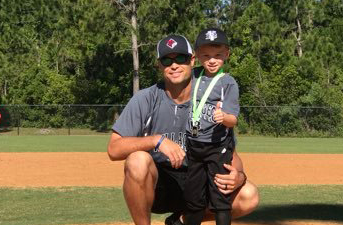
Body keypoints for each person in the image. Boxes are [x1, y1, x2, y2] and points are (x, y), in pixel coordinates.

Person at [107, 34, 259, 225]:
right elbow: (113, 149)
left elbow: (229, 152)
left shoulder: (210, 97)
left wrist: (239, 176)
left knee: (249, 195)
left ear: (192, 60)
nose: (174, 65)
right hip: (159, 184)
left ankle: (181, 221)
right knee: (137, 160)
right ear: (159, 65)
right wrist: (157, 140)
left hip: (199, 178)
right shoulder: (146, 98)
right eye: (166, 60)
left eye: (181, 58)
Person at [184, 28, 239, 225]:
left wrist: (223, 117)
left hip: (217, 147)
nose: (212, 60)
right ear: (197, 56)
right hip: (193, 145)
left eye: (218, 55)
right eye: (206, 55)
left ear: (227, 55)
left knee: (220, 197)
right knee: (194, 198)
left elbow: (233, 120)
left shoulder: (228, 83)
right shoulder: (193, 75)